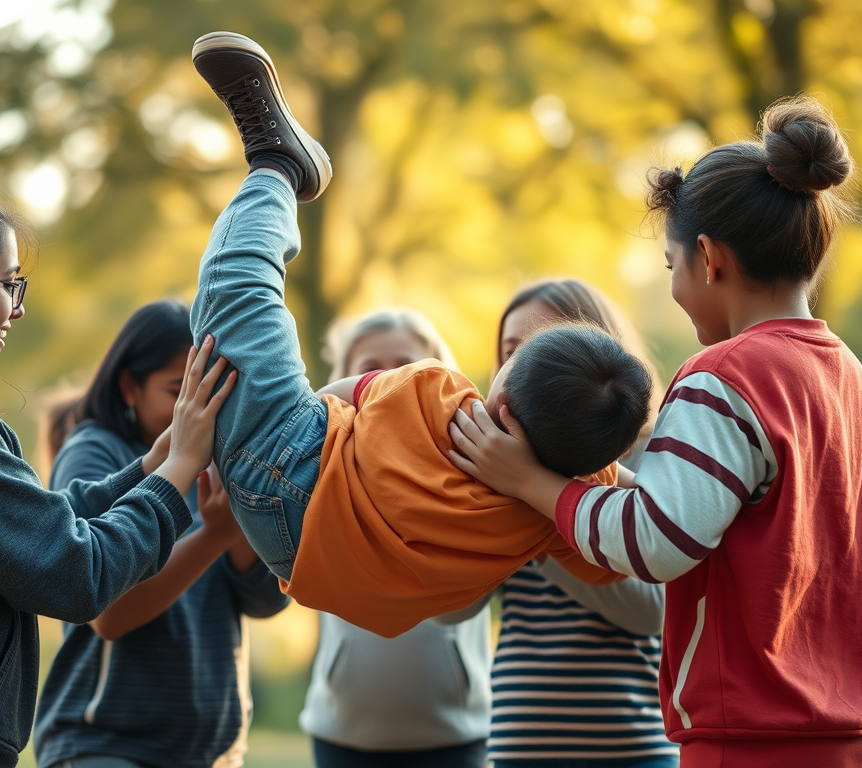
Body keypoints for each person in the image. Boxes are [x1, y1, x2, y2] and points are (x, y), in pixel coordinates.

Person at [449, 97, 862, 767]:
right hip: (854, 736)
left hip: (751, 740)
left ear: (708, 258)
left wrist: (530, 483)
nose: (675, 288)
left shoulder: (724, 374)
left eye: (670, 264)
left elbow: (657, 540)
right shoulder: (849, 378)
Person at [186, 31, 652, 639]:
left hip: (289, 478)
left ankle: (278, 164)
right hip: (317, 569)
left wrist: (294, 413)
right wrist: (571, 480)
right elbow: (630, 537)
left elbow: (346, 392)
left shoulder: (443, 397)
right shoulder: (562, 508)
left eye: (511, 358)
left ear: (505, 397)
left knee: (238, 284)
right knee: (218, 339)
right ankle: (274, 169)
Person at [0, 173, 235, 768]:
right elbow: (74, 572)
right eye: (9, 284)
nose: (18, 307)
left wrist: (158, 459)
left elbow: (39, 525)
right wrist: (181, 471)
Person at [33, 299, 288, 768]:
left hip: (213, 754)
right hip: (108, 746)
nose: (200, 410)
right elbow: (108, 614)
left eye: (216, 393)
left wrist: (238, 530)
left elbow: (266, 601)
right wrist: (212, 538)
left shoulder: (225, 458)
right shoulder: (96, 452)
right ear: (130, 385)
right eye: (181, 391)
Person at [488, 280, 677, 768]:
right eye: (511, 353)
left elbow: (652, 612)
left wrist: (540, 498)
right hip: (522, 743)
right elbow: (449, 613)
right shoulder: (490, 463)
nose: (522, 370)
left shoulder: (646, 459)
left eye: (542, 346)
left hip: (632, 744)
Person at [299, 309, 492, 768]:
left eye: (405, 365)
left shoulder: (470, 468)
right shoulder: (320, 469)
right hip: (341, 733)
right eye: (369, 368)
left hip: (456, 733)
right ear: (344, 380)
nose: (387, 379)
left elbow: (469, 599)